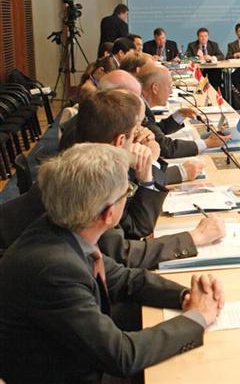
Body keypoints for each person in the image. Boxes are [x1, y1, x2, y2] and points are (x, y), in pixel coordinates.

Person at [0, 143, 224, 383]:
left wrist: (186, 296)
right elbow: (123, 357)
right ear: (109, 214)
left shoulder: (62, 226)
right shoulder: (54, 269)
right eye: (126, 193)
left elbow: (125, 279)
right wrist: (198, 317)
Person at [0, 90, 224, 270]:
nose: (143, 134)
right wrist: (196, 237)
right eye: (137, 130)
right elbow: (123, 253)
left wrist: (146, 174)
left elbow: (134, 227)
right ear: (119, 141)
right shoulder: (86, 178)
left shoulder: (94, 152)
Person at [138, 64, 230, 159]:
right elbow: (167, 148)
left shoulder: (143, 106)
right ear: (155, 88)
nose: (170, 92)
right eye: (169, 86)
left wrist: (180, 114)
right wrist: (207, 143)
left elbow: (156, 130)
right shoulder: (139, 110)